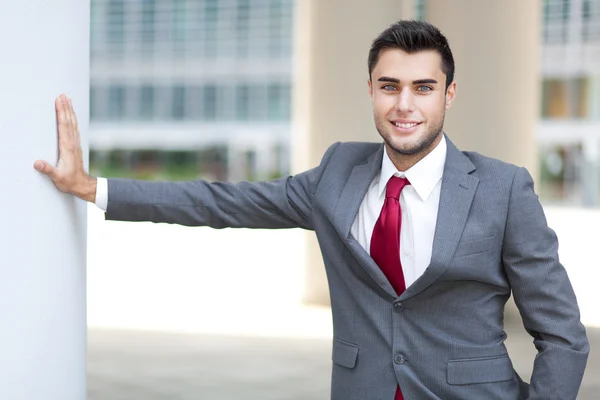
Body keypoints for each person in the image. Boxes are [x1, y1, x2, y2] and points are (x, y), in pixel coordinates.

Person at [34, 20, 588, 400]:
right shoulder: (338, 174)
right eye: (390, 86)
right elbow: (222, 202)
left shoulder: (501, 188)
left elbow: (562, 333)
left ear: (449, 94)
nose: (404, 105)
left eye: (423, 87)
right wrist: (93, 187)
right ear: (370, 90)